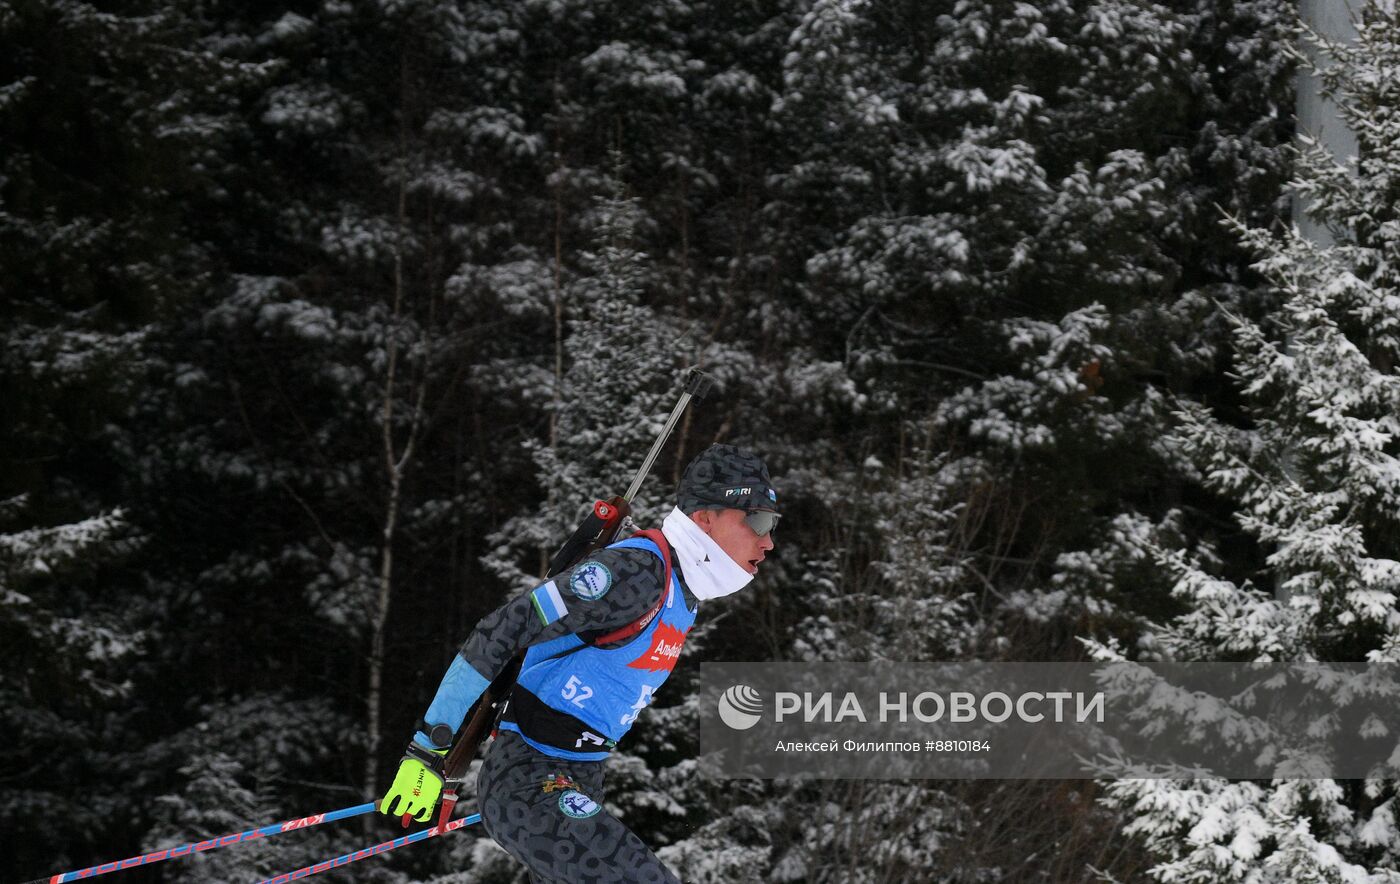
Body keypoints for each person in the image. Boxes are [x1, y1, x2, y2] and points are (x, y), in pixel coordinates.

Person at [379, 443, 780, 883]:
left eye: (772, 524)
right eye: (757, 520)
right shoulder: (637, 573)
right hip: (528, 781)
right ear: (706, 516)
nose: (768, 540)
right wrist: (428, 748)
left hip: (577, 778)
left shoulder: (682, 592)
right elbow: (506, 627)